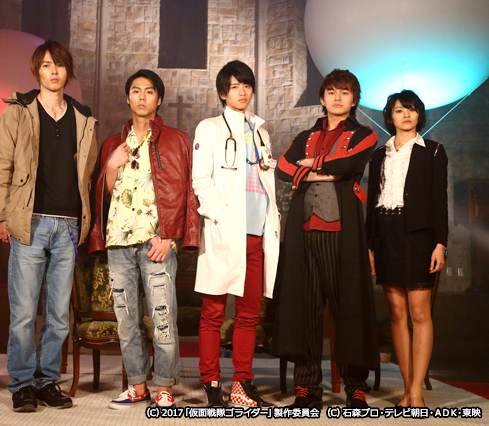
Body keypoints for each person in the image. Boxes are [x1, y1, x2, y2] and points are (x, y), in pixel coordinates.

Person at [0, 40, 98, 412]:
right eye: (47, 65)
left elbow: (87, 174)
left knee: (58, 314)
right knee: (23, 312)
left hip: (68, 224)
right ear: (37, 71)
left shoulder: (83, 117)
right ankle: (22, 384)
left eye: (59, 65)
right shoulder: (18, 112)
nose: (53, 71)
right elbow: (0, 167)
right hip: (29, 220)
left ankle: (47, 380)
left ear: (68, 71)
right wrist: (2, 215)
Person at [89, 69, 199, 409]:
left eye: (149, 91)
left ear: (158, 98)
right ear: (127, 97)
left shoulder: (177, 140)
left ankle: (164, 387)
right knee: (126, 320)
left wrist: (170, 236)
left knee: (163, 316)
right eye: (135, 91)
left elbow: (186, 191)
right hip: (119, 242)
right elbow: (104, 197)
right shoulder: (113, 143)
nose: (141, 96)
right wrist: (111, 166)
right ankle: (137, 385)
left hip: (156, 243)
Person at [272, 69, 379, 408]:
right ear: (322, 98)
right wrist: (321, 173)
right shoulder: (304, 135)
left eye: (344, 92)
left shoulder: (365, 134)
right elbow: (283, 167)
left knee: (348, 307)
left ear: (354, 99)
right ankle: (307, 388)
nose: (337, 98)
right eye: (331, 92)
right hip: (304, 231)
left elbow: (350, 162)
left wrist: (312, 165)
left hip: (342, 233)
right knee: (306, 310)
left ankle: (355, 387)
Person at [191, 60, 280, 408]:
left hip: (257, 233)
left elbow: (265, 179)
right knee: (213, 311)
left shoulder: (260, 132)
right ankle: (212, 381)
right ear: (222, 93)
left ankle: (242, 382)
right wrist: (224, 217)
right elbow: (201, 180)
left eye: (247, 85)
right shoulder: (210, 128)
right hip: (225, 231)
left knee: (249, 314)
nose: (242, 92)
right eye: (234, 86)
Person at [366, 90, 447, 408]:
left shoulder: (434, 151)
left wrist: (440, 243)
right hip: (385, 235)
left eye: (412, 109)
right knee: (397, 313)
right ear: (390, 116)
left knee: (419, 313)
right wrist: (369, 245)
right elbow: (372, 202)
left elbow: (439, 199)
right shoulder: (378, 154)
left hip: (419, 237)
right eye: (400, 110)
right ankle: (406, 387)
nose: (406, 115)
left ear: (419, 114)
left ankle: (416, 392)